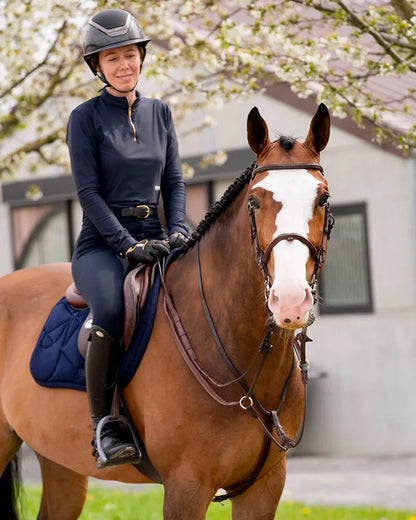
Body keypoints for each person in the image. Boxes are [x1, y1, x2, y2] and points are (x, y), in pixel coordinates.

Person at [66, 8, 189, 469]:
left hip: (156, 236)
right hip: (101, 244)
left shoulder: (161, 113)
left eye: (130, 55)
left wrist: (178, 229)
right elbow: (88, 193)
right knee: (114, 310)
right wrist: (126, 246)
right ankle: (105, 426)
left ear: (142, 58)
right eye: (112, 58)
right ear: (97, 67)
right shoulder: (85, 118)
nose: (123, 65)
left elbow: (174, 182)